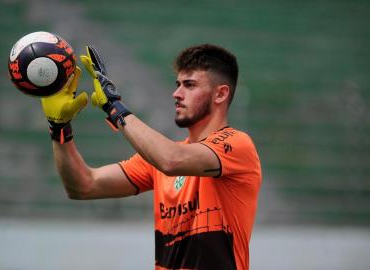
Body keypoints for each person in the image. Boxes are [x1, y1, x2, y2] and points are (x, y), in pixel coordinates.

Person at [41, 44, 262, 270]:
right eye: (178, 84)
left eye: (190, 85)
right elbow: (82, 185)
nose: (177, 93)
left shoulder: (237, 145)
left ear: (221, 94)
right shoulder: (158, 158)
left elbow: (171, 160)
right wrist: (59, 128)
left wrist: (114, 106)